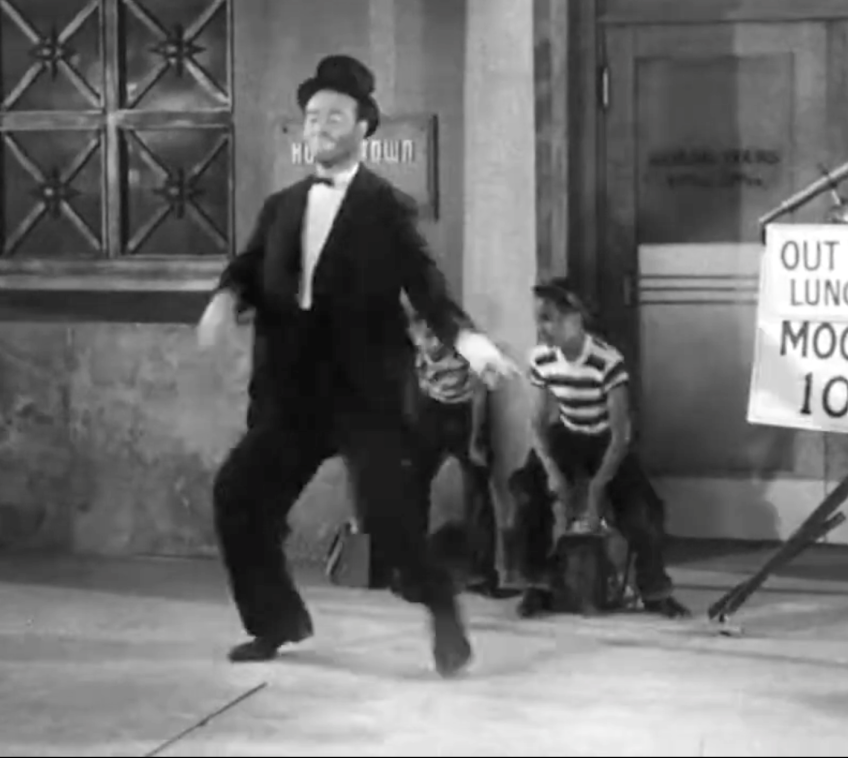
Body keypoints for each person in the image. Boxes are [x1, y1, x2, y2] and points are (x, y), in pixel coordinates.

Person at [196, 54, 517, 678]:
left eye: (334, 116)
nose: (319, 125)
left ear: (363, 127)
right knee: (239, 496)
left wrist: (473, 346)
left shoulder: (386, 207)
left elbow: (427, 288)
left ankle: (440, 603)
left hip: (362, 396)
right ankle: (274, 621)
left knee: (392, 530)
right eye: (313, 116)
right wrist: (224, 298)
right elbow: (249, 266)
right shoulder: (282, 205)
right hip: (291, 394)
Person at [511, 277, 690, 619]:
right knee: (525, 494)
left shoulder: (607, 362)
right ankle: (539, 584)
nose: (543, 328)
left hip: (605, 439)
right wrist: (551, 472)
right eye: (539, 319)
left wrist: (596, 490)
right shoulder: (541, 359)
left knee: (643, 510)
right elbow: (537, 422)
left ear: (575, 318)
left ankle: (654, 590)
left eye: (550, 318)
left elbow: (621, 434)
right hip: (566, 434)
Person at [408, 313, 502, 596]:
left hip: (467, 412)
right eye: (424, 336)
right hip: (434, 409)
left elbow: (480, 396)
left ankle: (482, 574)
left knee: (478, 490)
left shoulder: (468, 344)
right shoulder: (415, 343)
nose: (430, 343)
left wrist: (475, 441)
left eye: (435, 336)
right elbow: (417, 389)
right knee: (414, 482)